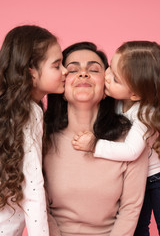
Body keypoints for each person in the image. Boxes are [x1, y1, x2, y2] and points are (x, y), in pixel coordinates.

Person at [44, 42, 148, 236]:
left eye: (94, 69)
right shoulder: (41, 137)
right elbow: (40, 208)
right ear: (61, 87)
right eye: (73, 70)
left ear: (107, 86)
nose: (83, 74)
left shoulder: (131, 138)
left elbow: (130, 209)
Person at [72, 41, 160, 236]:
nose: (107, 77)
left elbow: (131, 151)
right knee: (137, 227)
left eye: (116, 80)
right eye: (110, 66)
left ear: (136, 94)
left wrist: (94, 145)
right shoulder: (119, 101)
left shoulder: (143, 114)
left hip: (155, 177)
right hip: (139, 178)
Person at [0, 25, 67, 236]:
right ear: (32, 73)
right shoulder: (30, 113)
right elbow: (33, 188)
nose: (65, 71)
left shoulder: (9, 108)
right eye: (56, 65)